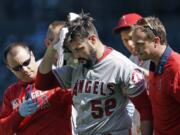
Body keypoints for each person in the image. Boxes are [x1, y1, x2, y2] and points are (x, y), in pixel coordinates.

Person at [35, 12, 153, 135]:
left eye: (79, 48)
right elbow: (42, 83)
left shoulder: (120, 65)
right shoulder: (77, 65)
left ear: (92, 39)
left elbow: (145, 110)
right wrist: (52, 46)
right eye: (72, 50)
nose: (75, 55)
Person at [0, 42, 72, 135]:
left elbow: (78, 99)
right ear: (9, 68)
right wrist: (19, 114)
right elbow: (2, 131)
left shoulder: (54, 78)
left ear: (32, 55)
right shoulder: (11, 93)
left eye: (26, 63)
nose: (24, 70)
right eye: (17, 68)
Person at [132, 16, 180, 135]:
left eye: (140, 44)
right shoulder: (154, 67)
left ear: (156, 41)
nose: (135, 49)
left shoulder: (176, 68)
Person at [113, 13, 150, 135]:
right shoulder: (129, 61)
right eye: (124, 40)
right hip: (137, 125)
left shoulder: (156, 57)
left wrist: (141, 72)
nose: (129, 44)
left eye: (131, 38)